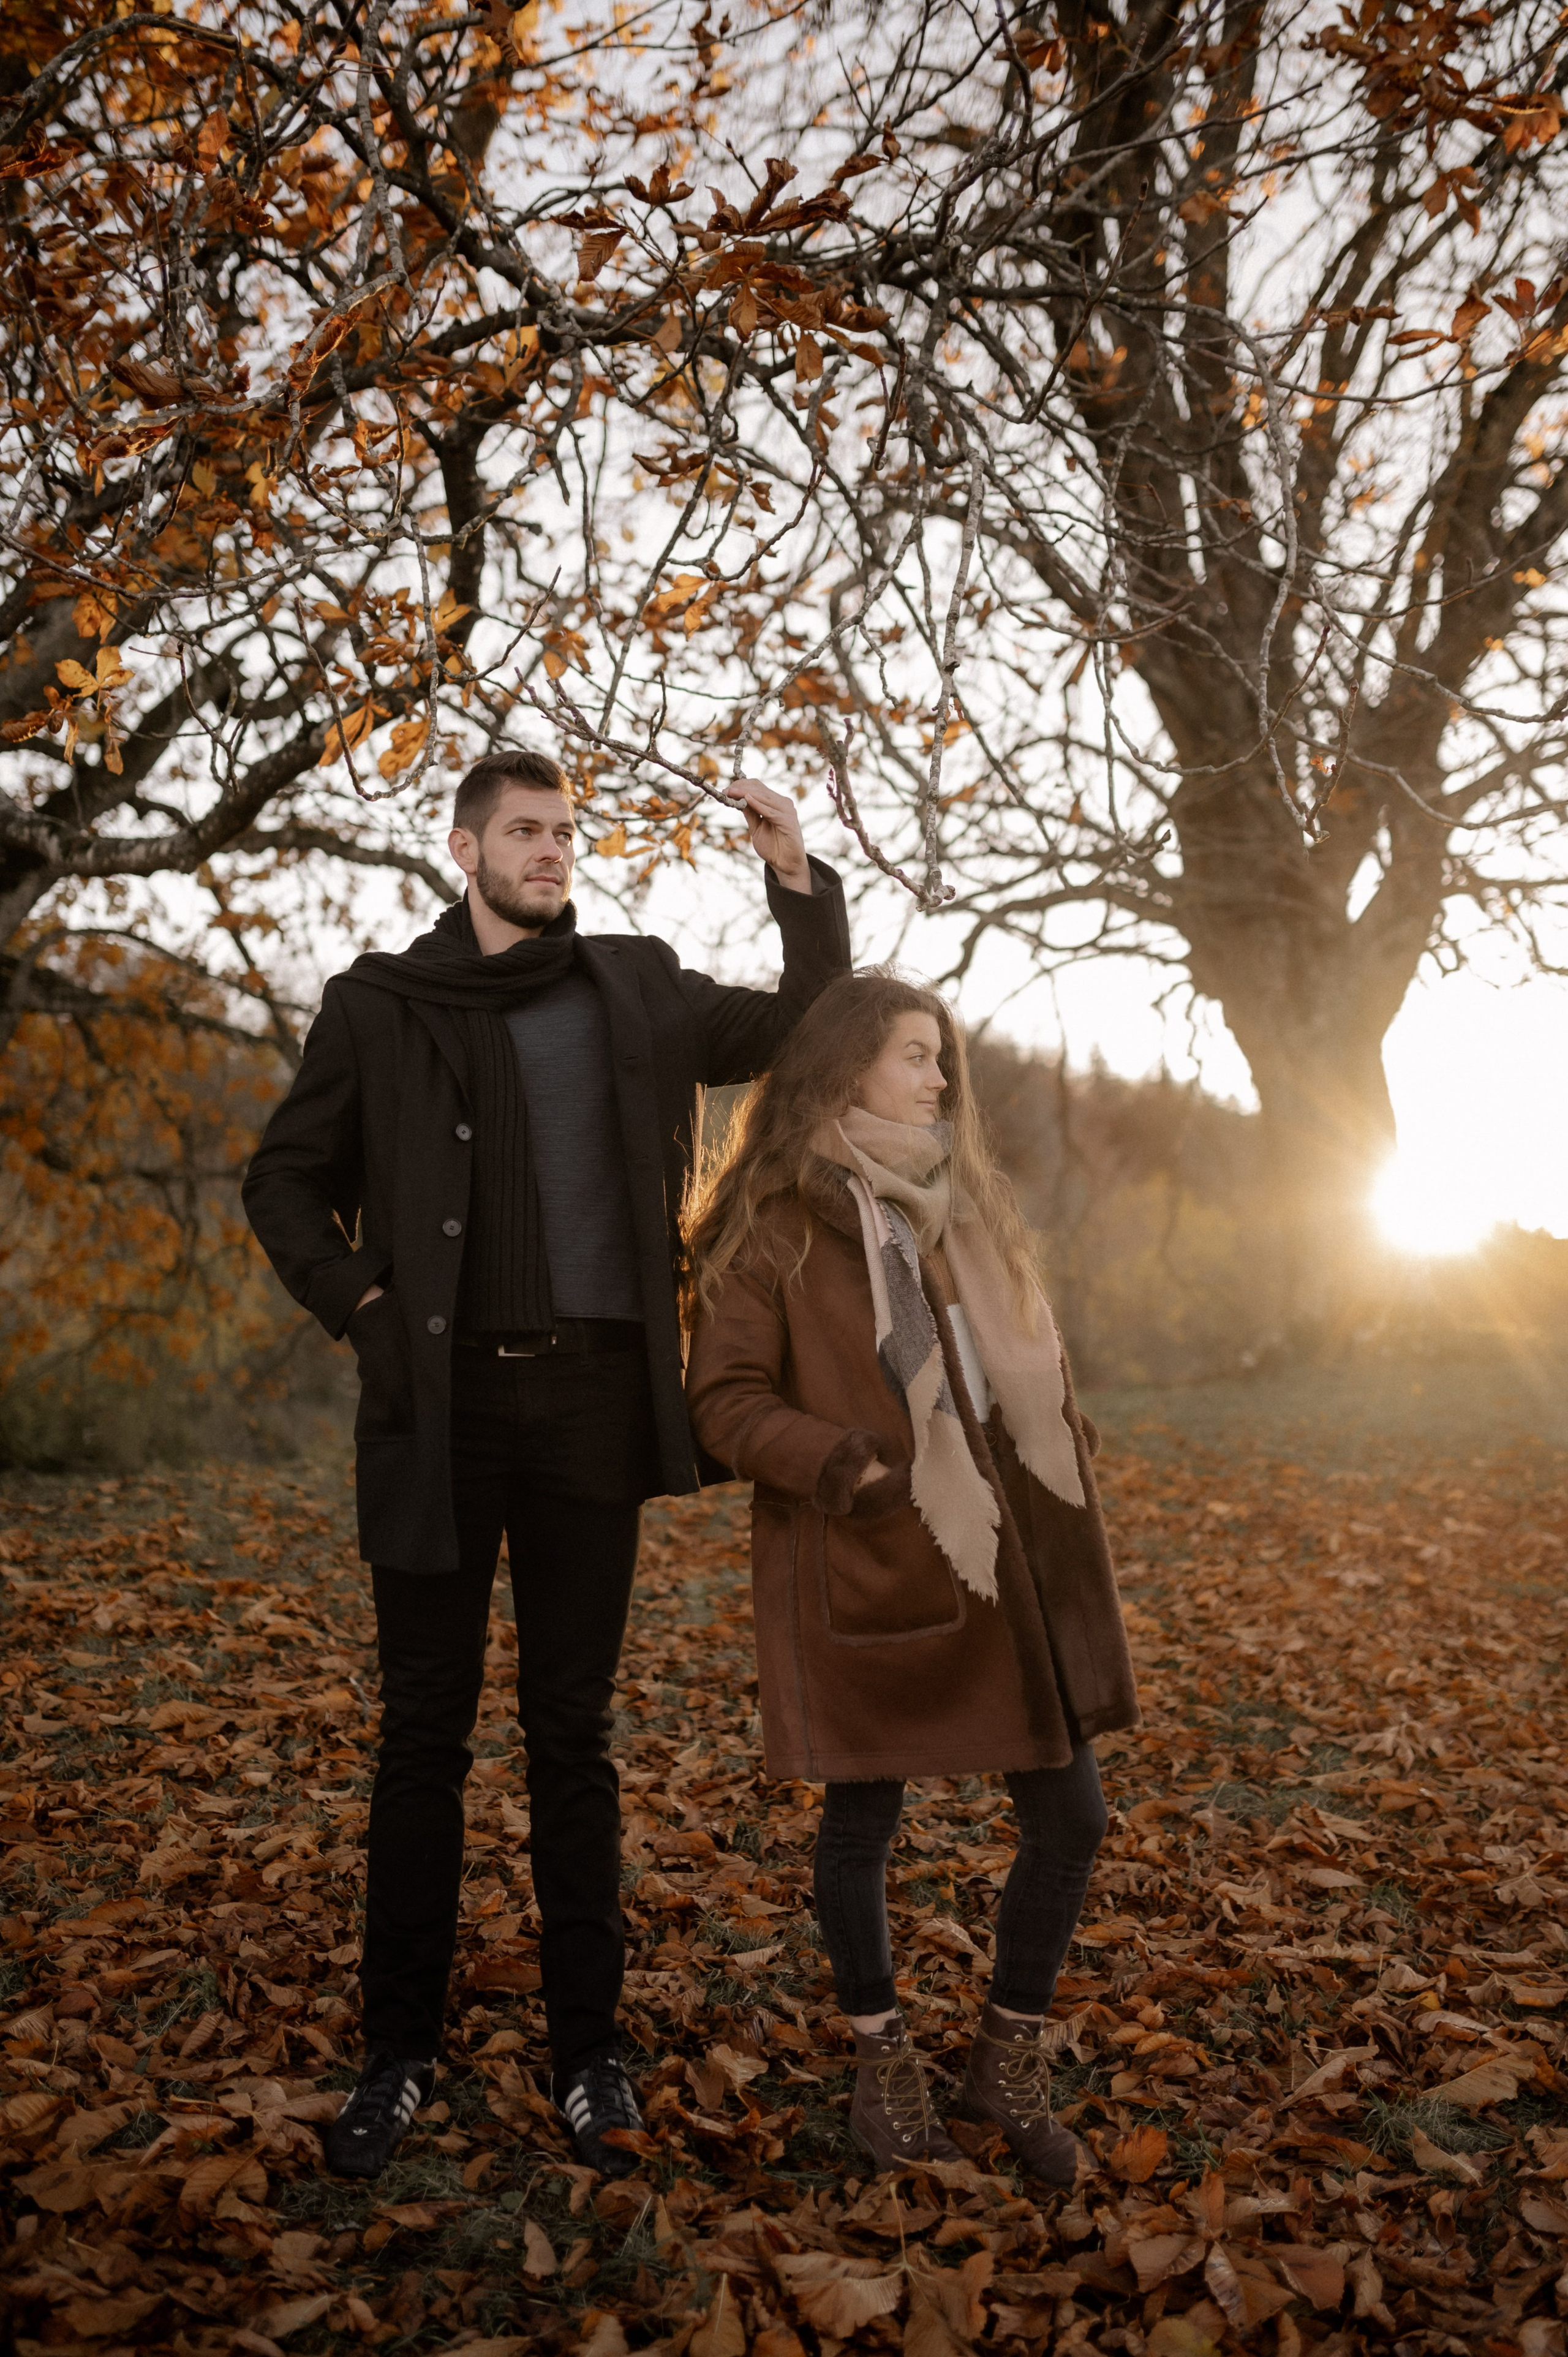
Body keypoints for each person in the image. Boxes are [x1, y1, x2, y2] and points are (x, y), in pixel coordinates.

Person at [242, 745, 850, 2181]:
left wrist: (794, 877)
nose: (550, 850)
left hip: (590, 1406)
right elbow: (282, 1178)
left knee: (571, 1737)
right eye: (523, 830)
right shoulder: (380, 1003)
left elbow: (805, 1030)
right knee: (424, 1737)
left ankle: (590, 2053)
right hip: (440, 1410)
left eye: (563, 831)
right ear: (464, 849)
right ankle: (396, 2052)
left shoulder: (635, 985)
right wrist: (360, 1307)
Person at [684, 971, 1140, 2179]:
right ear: (846, 1067)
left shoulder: (959, 1205)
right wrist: (850, 1468)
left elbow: (1004, 1364)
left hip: (1007, 1553)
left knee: (1071, 1817)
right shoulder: (777, 1224)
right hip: (875, 1549)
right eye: (915, 1055)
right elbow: (723, 1401)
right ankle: (881, 2063)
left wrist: (1053, 1433)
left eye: (942, 1056)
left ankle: (1004, 2065)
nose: (942, 1079)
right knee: (862, 1822)